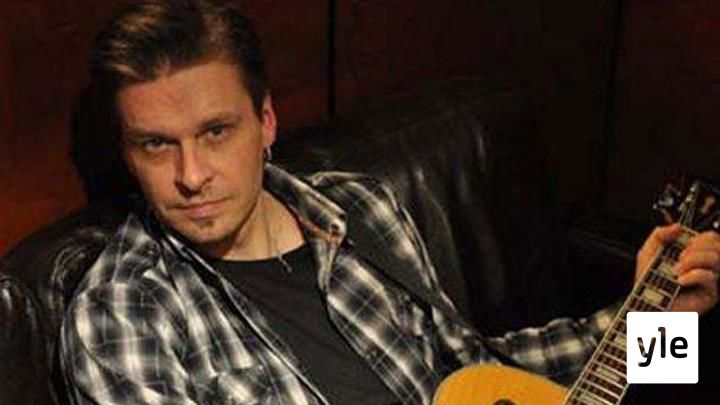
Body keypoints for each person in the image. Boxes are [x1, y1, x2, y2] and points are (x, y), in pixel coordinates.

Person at [59, 1, 720, 404]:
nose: (191, 175)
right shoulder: (123, 314)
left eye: (215, 132)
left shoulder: (358, 209)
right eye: (156, 144)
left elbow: (477, 370)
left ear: (265, 122)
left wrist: (664, 330)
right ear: (127, 154)